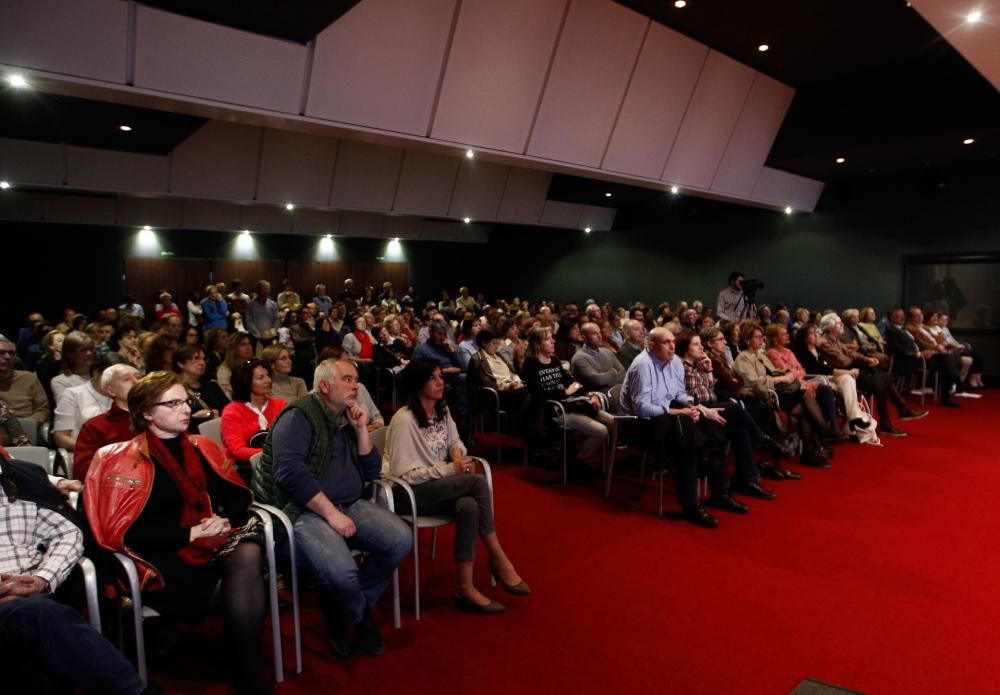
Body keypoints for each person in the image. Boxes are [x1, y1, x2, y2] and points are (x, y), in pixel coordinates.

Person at [85, 371, 270, 694]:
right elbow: (126, 533)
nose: (185, 409)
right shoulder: (121, 459)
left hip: (210, 546)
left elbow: (237, 498)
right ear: (145, 412)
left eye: (185, 401)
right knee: (245, 574)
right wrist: (189, 533)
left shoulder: (200, 447)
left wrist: (221, 519)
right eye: (172, 403)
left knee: (249, 553)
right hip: (156, 561)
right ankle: (246, 671)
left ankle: (248, 670)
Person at [253, 359, 411, 659]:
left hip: (349, 502)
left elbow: (371, 471)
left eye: (356, 380)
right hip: (301, 510)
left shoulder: (345, 416)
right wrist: (331, 514)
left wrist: (362, 429)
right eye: (348, 379)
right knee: (342, 573)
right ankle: (361, 618)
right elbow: (290, 473)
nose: (356, 386)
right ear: (324, 386)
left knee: (400, 540)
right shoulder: (299, 414)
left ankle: (341, 608)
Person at [385, 359, 529, 614]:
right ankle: (497, 556)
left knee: (469, 505)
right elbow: (403, 475)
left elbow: (456, 441)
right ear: (418, 384)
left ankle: (465, 586)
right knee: (475, 482)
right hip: (406, 492)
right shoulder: (404, 420)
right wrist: (450, 469)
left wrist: (455, 452)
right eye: (433, 378)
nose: (441, 383)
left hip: (439, 484)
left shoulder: (441, 410)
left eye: (441, 376)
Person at [0, 453, 148, 695]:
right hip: (26, 607)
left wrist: (43, 578)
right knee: (42, 617)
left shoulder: (20, 481)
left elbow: (67, 533)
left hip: (31, 597)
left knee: (39, 635)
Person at [620, 328, 747, 528]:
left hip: (668, 415)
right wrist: (679, 412)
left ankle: (720, 493)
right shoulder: (643, 365)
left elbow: (680, 394)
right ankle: (691, 506)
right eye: (666, 342)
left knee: (714, 425)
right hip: (640, 424)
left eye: (673, 341)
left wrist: (697, 407)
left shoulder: (675, 362)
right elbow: (642, 408)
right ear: (652, 346)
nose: (672, 346)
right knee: (688, 440)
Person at [676, 332, 784, 499]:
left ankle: (746, 480)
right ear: (685, 348)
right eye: (696, 344)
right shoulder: (679, 366)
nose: (701, 347)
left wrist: (709, 370)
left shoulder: (699, 365)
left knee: (739, 429)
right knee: (734, 408)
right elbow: (684, 397)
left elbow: (710, 390)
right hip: (696, 411)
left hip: (711, 405)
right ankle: (764, 441)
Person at [521, 326, 613, 473]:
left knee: (612, 421)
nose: (553, 341)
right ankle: (577, 459)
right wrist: (565, 392)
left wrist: (590, 394)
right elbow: (539, 393)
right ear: (537, 345)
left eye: (552, 338)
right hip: (550, 410)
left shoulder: (555, 361)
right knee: (601, 431)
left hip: (569, 404)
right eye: (548, 339)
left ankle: (573, 451)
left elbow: (571, 381)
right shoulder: (531, 364)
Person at [72, 363, 140, 481]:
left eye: (139, 377)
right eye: (126, 379)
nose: (136, 382)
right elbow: (83, 471)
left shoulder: (161, 418)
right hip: (121, 488)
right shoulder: (95, 427)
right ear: (111, 390)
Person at [220, 360, 285, 476]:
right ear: (246, 382)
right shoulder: (232, 411)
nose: (268, 380)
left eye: (268, 375)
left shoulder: (280, 405)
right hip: (246, 468)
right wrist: (273, 453)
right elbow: (237, 451)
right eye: (261, 377)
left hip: (279, 464)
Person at [52, 353, 127, 451]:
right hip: (87, 454)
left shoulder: (125, 395)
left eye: (120, 379)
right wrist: (96, 450)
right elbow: (61, 438)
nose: (113, 383)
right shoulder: (72, 395)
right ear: (96, 374)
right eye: (109, 377)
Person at [0, 335, 49, 445]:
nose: (7, 357)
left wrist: (28, 424)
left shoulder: (29, 378)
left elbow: (42, 409)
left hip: (27, 433)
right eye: (1, 353)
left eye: (11, 353)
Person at [175, 343, 230, 427]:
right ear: (181, 364)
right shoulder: (176, 391)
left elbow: (229, 410)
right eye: (196, 358)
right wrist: (198, 417)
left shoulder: (212, 386)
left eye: (204, 359)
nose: (202, 363)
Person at [571, 322, 625, 394]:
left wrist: (606, 379)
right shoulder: (579, 358)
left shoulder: (607, 351)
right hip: (596, 398)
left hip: (616, 392)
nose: (600, 336)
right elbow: (598, 380)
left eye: (599, 332)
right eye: (594, 334)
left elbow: (623, 373)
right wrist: (613, 372)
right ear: (584, 337)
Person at [51, 331, 96, 405]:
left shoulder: (102, 374)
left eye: (91, 349)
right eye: (83, 350)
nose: (89, 353)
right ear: (70, 354)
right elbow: (67, 407)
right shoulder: (60, 381)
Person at [216, 332, 255, 399]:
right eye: (243, 344)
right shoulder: (225, 369)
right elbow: (226, 394)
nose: (248, 347)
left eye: (249, 344)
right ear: (233, 348)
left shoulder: (256, 363)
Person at [245, 280, 280, 352]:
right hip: (256, 337)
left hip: (271, 337)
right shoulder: (250, 305)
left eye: (269, 288)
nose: (268, 291)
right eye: (265, 289)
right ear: (258, 290)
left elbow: (276, 319)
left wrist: (273, 332)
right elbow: (249, 322)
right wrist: (259, 335)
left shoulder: (273, 304)